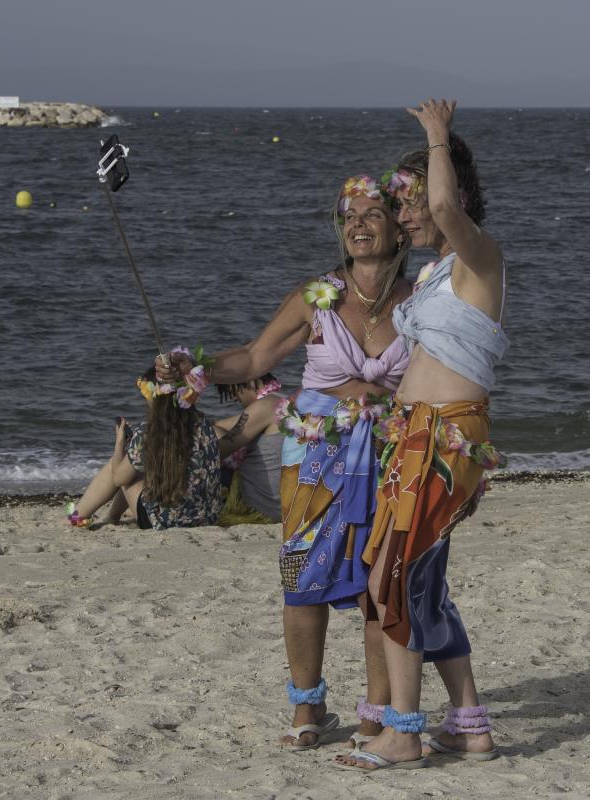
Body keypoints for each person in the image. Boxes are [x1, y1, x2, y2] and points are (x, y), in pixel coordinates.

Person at [156, 174, 413, 750]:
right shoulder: (316, 297)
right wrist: (193, 364)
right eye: (349, 216)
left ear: (400, 229)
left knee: (379, 585)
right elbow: (254, 358)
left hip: (388, 449)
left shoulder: (418, 301)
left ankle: (375, 715)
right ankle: (306, 707)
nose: (358, 224)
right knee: (303, 580)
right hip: (316, 454)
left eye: (372, 214)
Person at [337, 99, 509, 771]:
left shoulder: (479, 256)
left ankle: (404, 732)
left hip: (444, 438)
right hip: (415, 434)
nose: (406, 215)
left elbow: (442, 208)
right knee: (423, 581)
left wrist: (438, 135)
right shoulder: (438, 274)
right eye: (401, 204)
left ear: (453, 194)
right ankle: (469, 725)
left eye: (410, 202)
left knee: (394, 577)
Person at [64, 359, 223, 530]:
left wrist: (120, 443)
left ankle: (75, 517)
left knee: (119, 469)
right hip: (206, 518)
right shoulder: (204, 424)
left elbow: (118, 478)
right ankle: (112, 516)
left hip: (164, 522)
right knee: (137, 467)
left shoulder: (148, 433)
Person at [216, 374, 284, 525]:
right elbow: (225, 425)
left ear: (250, 381)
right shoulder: (281, 400)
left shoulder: (266, 405)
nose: (232, 397)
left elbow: (217, 450)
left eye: (233, 390)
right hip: (283, 505)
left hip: (263, 508)